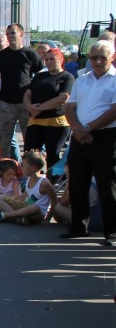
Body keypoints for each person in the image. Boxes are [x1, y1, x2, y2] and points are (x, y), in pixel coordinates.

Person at [61, 40, 116, 246]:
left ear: (112, 57)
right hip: (79, 135)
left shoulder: (115, 80)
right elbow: (70, 107)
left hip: (105, 137)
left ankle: (112, 232)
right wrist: (78, 129)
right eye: (93, 57)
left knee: (107, 185)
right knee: (77, 183)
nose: (98, 61)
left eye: (103, 56)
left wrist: (88, 129)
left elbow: (113, 111)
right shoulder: (82, 79)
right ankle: (78, 226)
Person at [0, 23, 43, 161]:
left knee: (30, 140)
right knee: (3, 141)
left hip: (26, 104)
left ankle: (31, 171)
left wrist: (36, 100)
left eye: (13, 33)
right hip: (6, 103)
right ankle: (4, 173)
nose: (10, 36)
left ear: (21, 34)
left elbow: (41, 78)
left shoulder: (30, 54)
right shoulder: (1, 56)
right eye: (8, 34)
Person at [23, 47, 73, 177]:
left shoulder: (67, 77)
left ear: (61, 59)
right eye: (46, 59)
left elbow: (63, 98)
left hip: (56, 123)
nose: (49, 62)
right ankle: (31, 183)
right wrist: (29, 107)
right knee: (30, 154)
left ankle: (51, 183)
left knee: (52, 154)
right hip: (35, 121)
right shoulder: (39, 76)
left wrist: (39, 108)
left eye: (52, 59)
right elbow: (28, 93)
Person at [0, 150, 55, 224]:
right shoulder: (29, 178)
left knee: (35, 207)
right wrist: (8, 200)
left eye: (23, 165)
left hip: (37, 213)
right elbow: (24, 195)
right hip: (25, 206)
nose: (21, 167)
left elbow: (55, 201)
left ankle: (7, 215)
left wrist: (47, 218)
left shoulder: (44, 183)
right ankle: (17, 218)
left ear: (32, 168)